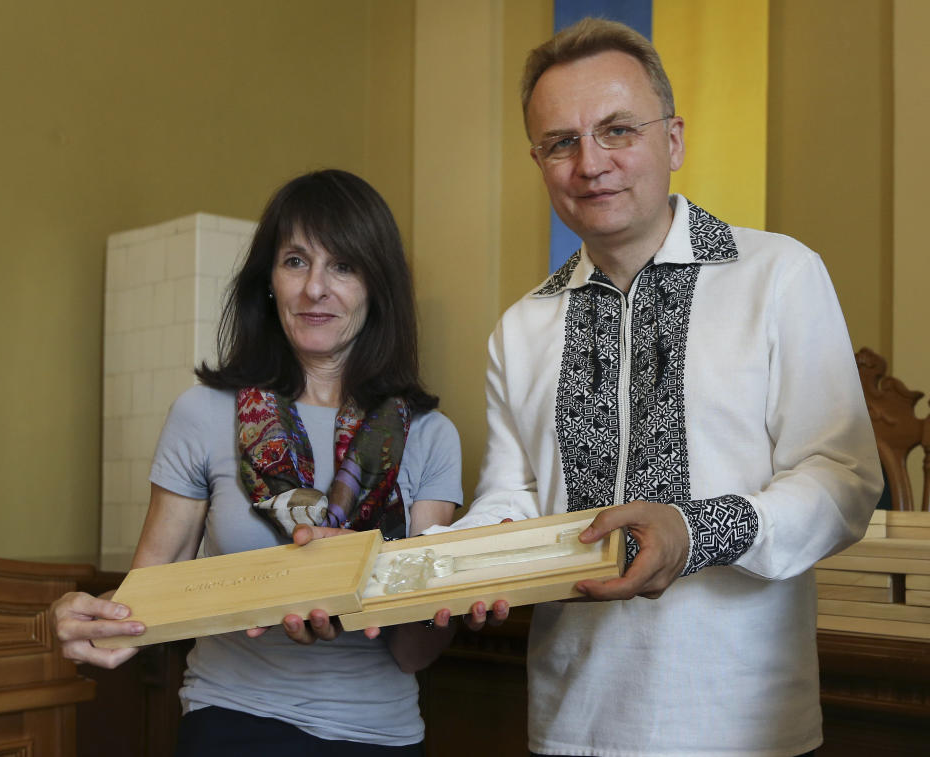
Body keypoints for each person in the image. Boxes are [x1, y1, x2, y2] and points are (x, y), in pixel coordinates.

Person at [447, 18, 883, 757]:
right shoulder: (521, 327)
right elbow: (511, 494)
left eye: (618, 129)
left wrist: (694, 531)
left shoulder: (778, 275)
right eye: (561, 142)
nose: (590, 163)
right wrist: (443, 564)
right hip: (570, 724)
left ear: (673, 140)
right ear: (538, 161)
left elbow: (843, 479)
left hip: (742, 725)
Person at [51, 169, 463, 756]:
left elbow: (412, 651)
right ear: (268, 280)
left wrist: (462, 597)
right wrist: (78, 621)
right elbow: (140, 602)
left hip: (379, 732)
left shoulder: (429, 436)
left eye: (343, 266)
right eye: (296, 261)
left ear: (377, 286)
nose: (315, 288)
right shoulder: (201, 414)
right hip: (232, 719)